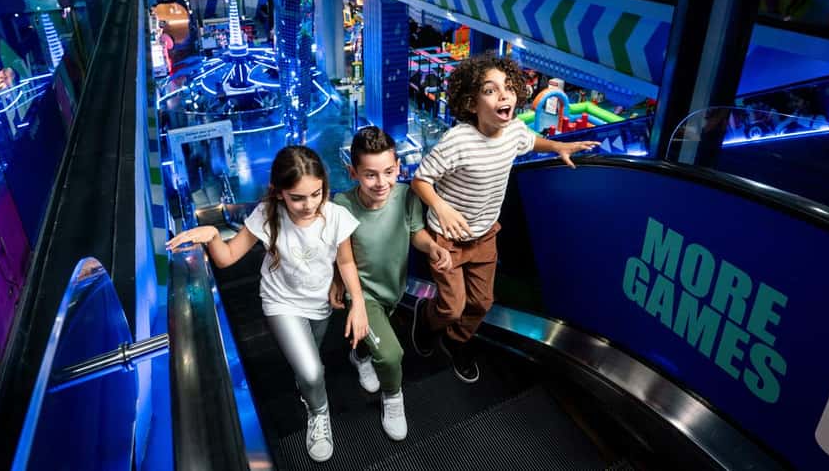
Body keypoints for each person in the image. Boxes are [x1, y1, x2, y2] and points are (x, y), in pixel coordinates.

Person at [166, 146, 368, 463]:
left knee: (309, 362)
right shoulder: (266, 214)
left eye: (316, 194)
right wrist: (212, 235)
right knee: (312, 372)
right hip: (280, 303)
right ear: (279, 192)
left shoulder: (335, 216)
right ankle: (319, 412)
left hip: (320, 304)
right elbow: (227, 257)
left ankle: (308, 386)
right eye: (297, 198)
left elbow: (345, 262)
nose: (309, 205)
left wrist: (358, 302)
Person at [409, 53, 599, 383]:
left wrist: (557, 148)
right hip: (447, 239)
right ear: (471, 102)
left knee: (482, 303)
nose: (503, 95)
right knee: (452, 306)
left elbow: (531, 141)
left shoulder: (514, 131)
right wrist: (441, 206)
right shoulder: (458, 141)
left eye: (508, 87)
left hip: (485, 235)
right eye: (490, 90)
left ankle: (457, 341)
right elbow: (420, 180)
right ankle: (425, 321)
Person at [330, 127, 452, 442]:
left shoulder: (407, 195)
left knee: (372, 339)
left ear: (398, 166)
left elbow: (416, 233)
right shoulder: (342, 205)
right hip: (363, 294)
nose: (381, 182)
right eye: (370, 175)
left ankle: (359, 356)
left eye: (388, 172)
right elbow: (343, 256)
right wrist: (348, 293)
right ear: (353, 173)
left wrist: (432, 247)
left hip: (394, 289)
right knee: (391, 355)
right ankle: (392, 396)